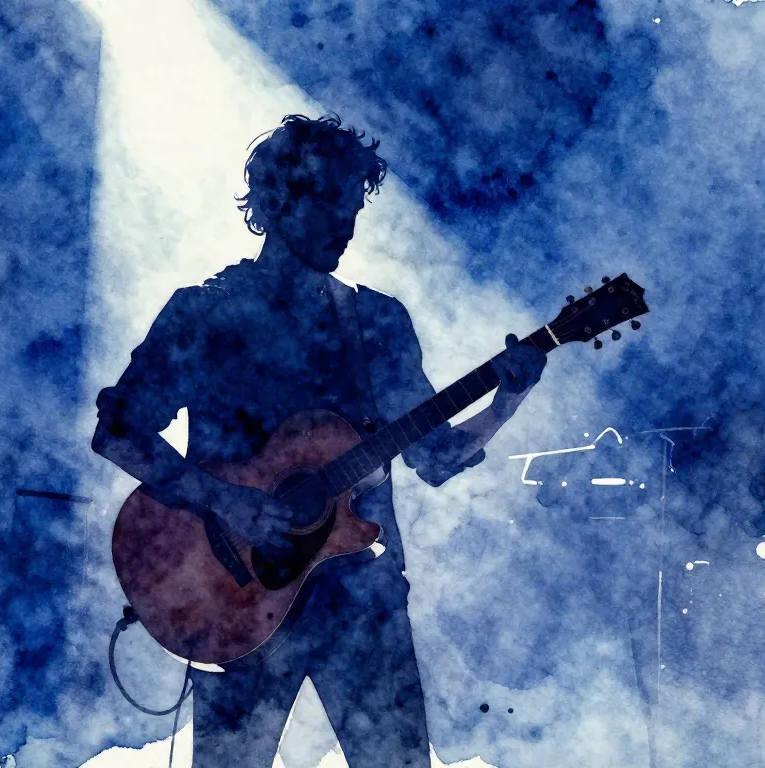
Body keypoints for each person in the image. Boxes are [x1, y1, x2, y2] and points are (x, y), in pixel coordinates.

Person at [91, 114, 547, 768]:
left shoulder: (376, 322)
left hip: (362, 601)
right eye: (331, 202)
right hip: (233, 598)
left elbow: (435, 457)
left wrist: (507, 401)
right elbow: (117, 430)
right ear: (278, 201)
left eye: (354, 206)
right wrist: (225, 499)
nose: (347, 224)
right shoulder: (204, 314)